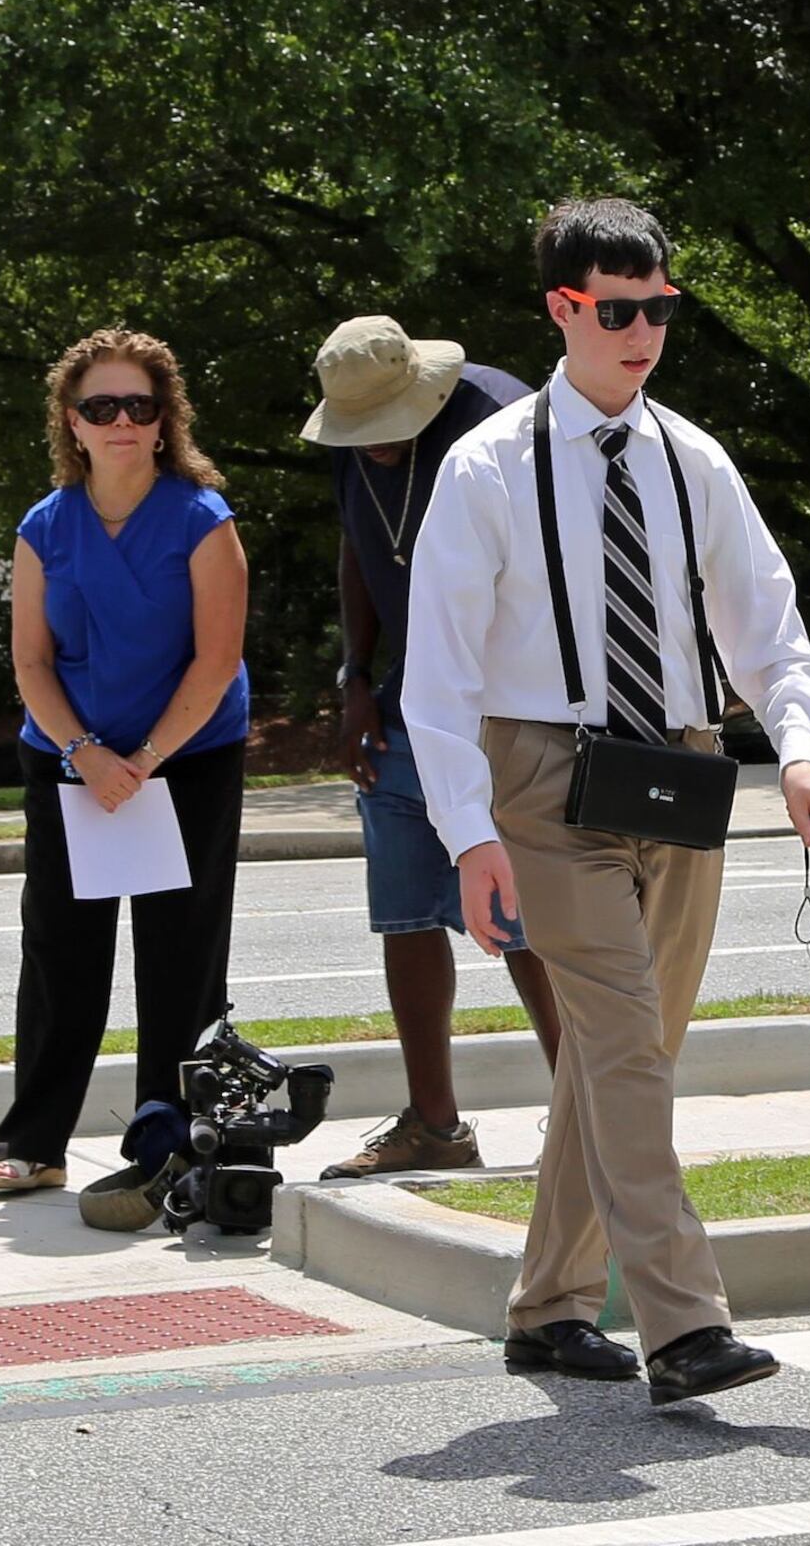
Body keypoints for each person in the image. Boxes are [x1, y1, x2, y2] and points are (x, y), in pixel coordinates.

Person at [400, 198, 810, 1407]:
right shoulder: (486, 465)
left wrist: (800, 751)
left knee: (624, 1053)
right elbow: (433, 676)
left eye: (659, 308)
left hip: (682, 763)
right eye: (617, 310)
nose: (642, 331)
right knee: (625, 1049)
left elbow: (769, 628)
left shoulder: (693, 458)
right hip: (541, 772)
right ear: (563, 309)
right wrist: (470, 835)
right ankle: (683, 1325)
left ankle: (547, 1309)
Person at [0, 329, 250, 1229]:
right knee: (61, 947)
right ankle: (34, 1141)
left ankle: (170, 1141)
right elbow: (30, 663)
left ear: (164, 417)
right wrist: (85, 754)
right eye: (104, 407)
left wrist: (143, 762)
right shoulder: (42, 526)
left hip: (187, 757)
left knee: (180, 957)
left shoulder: (202, 519)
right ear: (74, 421)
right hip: (69, 756)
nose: (123, 421)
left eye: (141, 405)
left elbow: (216, 661)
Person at [299, 315, 556, 1179]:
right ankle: (436, 1127)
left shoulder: (501, 419)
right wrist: (354, 677)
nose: (369, 447)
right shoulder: (353, 428)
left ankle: (590, 1113)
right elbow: (358, 544)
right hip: (405, 704)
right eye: (354, 435)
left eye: (383, 430)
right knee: (405, 911)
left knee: (528, 920)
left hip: (507, 711)